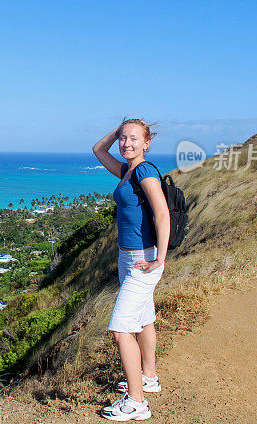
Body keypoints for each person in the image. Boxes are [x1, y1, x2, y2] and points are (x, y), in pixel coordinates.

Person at [92, 118, 170, 421]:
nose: (126, 144)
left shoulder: (145, 171)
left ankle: (136, 402)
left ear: (147, 143)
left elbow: (162, 213)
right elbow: (98, 150)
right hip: (129, 257)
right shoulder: (127, 171)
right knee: (143, 319)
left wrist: (158, 259)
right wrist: (118, 130)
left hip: (143, 258)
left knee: (121, 328)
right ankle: (148, 378)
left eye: (135, 139)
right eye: (123, 138)